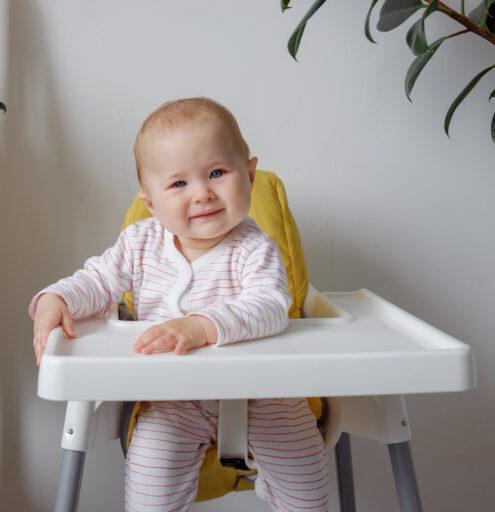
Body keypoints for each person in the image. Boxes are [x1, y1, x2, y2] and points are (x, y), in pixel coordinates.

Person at [30, 98, 328, 511]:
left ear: (251, 174)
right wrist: (56, 298)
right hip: (172, 401)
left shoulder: (255, 248)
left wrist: (201, 326)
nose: (203, 193)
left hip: (267, 396)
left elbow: (270, 306)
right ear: (151, 202)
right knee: (148, 495)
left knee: (308, 488)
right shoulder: (140, 244)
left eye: (218, 173)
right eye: (178, 184)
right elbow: (97, 280)